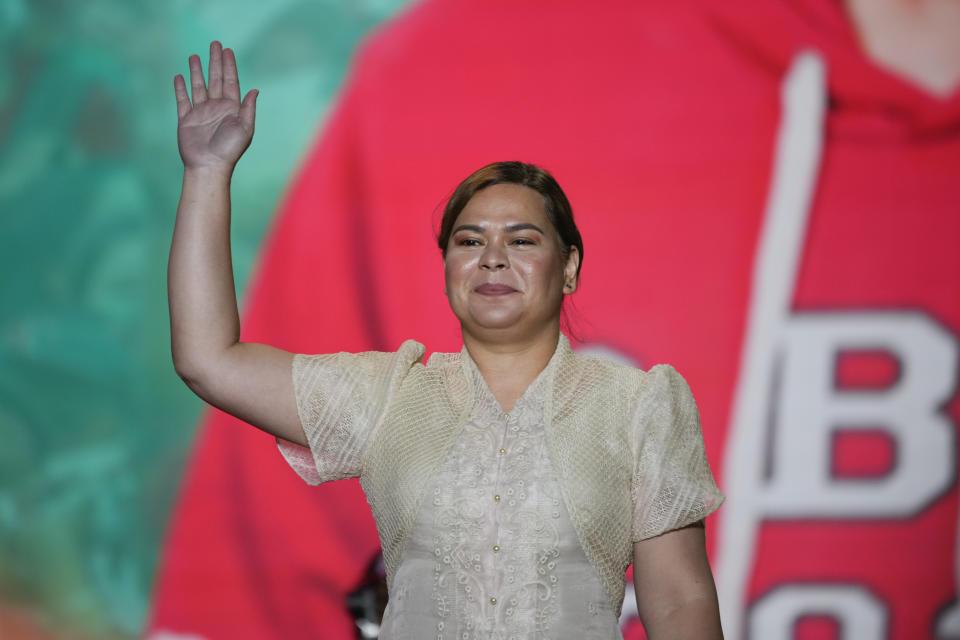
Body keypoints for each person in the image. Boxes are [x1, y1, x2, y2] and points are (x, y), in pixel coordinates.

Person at [169, 41, 724, 639]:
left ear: (569, 267)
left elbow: (678, 604)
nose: (491, 259)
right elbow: (209, 361)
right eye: (468, 241)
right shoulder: (390, 396)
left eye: (522, 240)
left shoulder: (638, 405)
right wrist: (207, 172)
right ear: (446, 269)